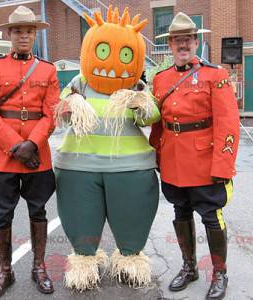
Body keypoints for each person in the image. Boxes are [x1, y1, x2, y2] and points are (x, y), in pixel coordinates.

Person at [54, 6, 160, 291]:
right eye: (103, 52)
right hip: (79, 167)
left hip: (130, 167)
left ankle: (129, 260)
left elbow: (151, 117)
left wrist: (140, 103)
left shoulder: (137, 87)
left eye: (125, 55)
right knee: (80, 217)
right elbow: (60, 113)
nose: (112, 63)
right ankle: (85, 264)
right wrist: (72, 105)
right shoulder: (79, 84)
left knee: (132, 217)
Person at [150, 12, 240, 300]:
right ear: (171, 44)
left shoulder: (217, 75)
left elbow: (228, 124)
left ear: (197, 41)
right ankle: (189, 267)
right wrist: (154, 154)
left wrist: (223, 164)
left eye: (188, 39)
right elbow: (158, 122)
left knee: (212, 217)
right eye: (177, 40)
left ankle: (220, 272)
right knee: (180, 213)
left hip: (205, 162)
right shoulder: (161, 79)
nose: (183, 44)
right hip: (173, 160)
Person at [0, 6, 59, 299]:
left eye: (29, 30)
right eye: (18, 31)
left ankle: (39, 267)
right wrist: (16, 146)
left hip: (38, 154)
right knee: (3, 214)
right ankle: (5, 271)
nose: (24, 35)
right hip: (3, 156)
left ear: (35, 34)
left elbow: (51, 114)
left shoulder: (48, 70)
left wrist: (32, 144)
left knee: (38, 210)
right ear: (9, 34)